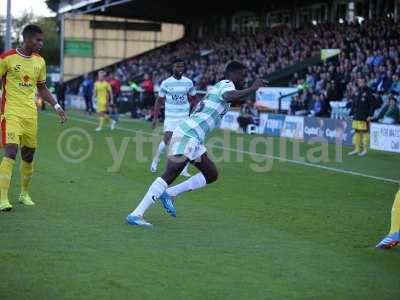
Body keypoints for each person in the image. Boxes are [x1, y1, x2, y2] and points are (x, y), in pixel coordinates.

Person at [126, 61, 264, 227]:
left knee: (211, 174)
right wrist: (253, 89)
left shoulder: (220, 87)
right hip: (187, 135)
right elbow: (229, 96)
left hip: (194, 138)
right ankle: (136, 214)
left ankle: (169, 194)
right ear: (233, 74)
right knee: (171, 173)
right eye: (242, 75)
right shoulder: (226, 84)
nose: (244, 78)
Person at [0, 24, 67, 212]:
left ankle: (24, 194)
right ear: (26, 39)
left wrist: (57, 106)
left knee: (28, 156)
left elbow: (42, 88)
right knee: (11, 152)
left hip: (31, 114)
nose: (40, 43)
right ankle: (3, 198)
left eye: (41, 40)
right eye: (37, 40)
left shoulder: (40, 61)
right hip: (11, 112)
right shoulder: (7, 58)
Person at [150, 59, 197, 177]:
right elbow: (159, 101)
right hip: (171, 117)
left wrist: (193, 112)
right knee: (167, 139)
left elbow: (194, 98)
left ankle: (184, 169)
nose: (180, 69)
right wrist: (155, 118)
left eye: (182, 66)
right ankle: (156, 159)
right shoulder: (166, 83)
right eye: (178, 66)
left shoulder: (188, 82)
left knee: (186, 142)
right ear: (173, 68)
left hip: (184, 117)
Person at [348, 77, 374, 157]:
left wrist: (370, 115)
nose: (360, 83)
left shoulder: (369, 91)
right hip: (357, 116)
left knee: (365, 132)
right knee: (357, 132)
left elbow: (372, 104)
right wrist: (351, 113)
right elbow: (354, 103)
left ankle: (365, 150)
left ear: (365, 82)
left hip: (364, 116)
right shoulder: (358, 91)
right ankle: (357, 149)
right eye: (359, 82)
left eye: (362, 82)